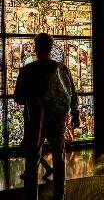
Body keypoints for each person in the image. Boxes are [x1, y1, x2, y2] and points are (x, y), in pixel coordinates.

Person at [14, 33, 80, 200]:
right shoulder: (61, 68)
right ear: (51, 48)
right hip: (57, 119)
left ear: (35, 48)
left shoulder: (27, 70)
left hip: (34, 120)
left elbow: (19, 98)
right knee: (59, 157)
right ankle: (60, 194)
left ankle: (31, 195)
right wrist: (75, 113)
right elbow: (72, 93)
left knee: (32, 160)